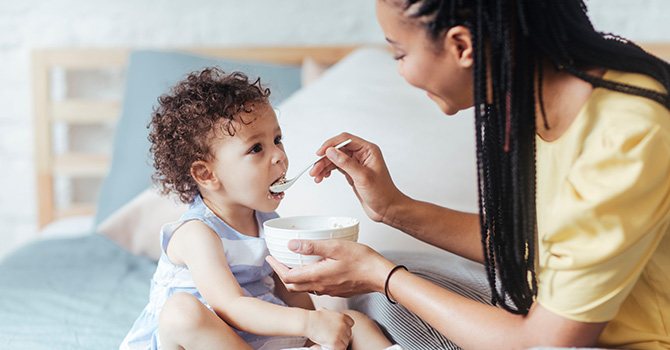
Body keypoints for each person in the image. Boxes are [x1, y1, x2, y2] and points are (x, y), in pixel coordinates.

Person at [266, 0, 670, 349]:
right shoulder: (532, 97)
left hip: (606, 340)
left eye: (399, 54)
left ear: (462, 45)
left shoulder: (625, 135)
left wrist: (380, 276)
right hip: (550, 311)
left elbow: (549, 342)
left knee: (384, 283)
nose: (402, 72)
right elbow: (532, 248)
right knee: (383, 287)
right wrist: (391, 208)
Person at [120, 67, 395, 350]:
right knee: (181, 314)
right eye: (256, 149)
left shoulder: (269, 223)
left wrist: (319, 328)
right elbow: (232, 306)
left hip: (262, 343)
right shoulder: (196, 234)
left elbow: (292, 297)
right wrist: (308, 323)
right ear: (206, 175)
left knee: (353, 322)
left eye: (277, 140)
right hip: (208, 342)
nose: (279, 155)